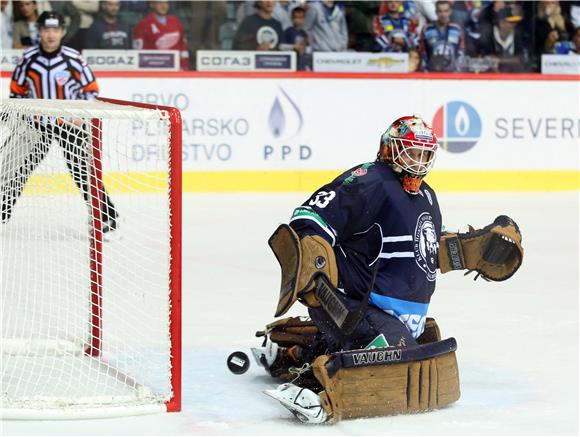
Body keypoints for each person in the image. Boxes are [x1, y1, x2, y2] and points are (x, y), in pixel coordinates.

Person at [256, 115, 523, 423]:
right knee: (399, 356)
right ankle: (321, 388)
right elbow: (308, 218)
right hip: (354, 306)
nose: (418, 161)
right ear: (388, 149)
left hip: (398, 315)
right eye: (411, 151)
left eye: (425, 154)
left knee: (421, 341)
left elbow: (424, 247)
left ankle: (294, 351)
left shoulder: (427, 195)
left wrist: (466, 251)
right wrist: (315, 268)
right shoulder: (369, 180)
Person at [4, 11, 118, 233]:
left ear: (62, 32)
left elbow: (91, 91)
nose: (50, 35)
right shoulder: (27, 60)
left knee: (83, 172)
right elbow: (17, 94)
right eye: (46, 30)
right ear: (39, 31)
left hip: (71, 125)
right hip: (37, 126)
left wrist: (80, 114)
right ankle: (1, 210)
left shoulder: (74, 59)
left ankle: (105, 218)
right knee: (17, 168)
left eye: (55, 30)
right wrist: (28, 114)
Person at [133, 1, 190, 70]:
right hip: (154, 70)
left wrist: (184, 66)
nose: (164, 6)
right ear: (152, 4)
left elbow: (183, 46)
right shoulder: (142, 25)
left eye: (166, 3)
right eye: (160, 3)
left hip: (176, 69)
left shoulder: (175, 21)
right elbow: (139, 52)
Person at [419, 0, 465, 72]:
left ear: (450, 12)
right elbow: (423, 52)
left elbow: (461, 51)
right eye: (440, 11)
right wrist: (425, 72)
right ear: (436, 12)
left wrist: (458, 72)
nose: (443, 14)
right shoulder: (427, 29)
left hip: (452, 73)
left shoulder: (457, 29)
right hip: (432, 72)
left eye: (446, 11)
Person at [280, 6, 311, 70]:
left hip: (301, 64)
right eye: (296, 17)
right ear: (292, 18)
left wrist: (305, 48)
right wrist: (294, 47)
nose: (299, 20)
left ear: (304, 19)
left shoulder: (304, 33)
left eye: (301, 18)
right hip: (289, 64)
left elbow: (309, 50)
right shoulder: (288, 31)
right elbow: (281, 46)